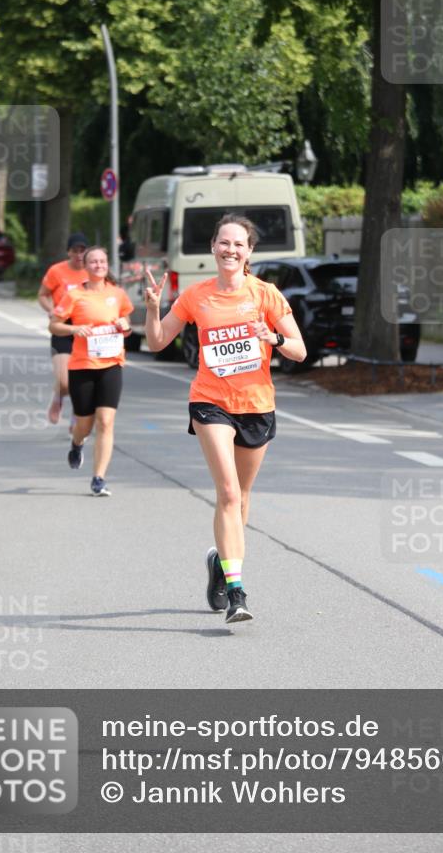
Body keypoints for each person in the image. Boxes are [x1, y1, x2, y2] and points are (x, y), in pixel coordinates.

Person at [145, 213, 306, 623]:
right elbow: (158, 340)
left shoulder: (266, 294)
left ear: (249, 251)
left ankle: (221, 561)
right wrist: (151, 308)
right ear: (213, 248)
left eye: (238, 244)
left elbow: (300, 351)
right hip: (210, 402)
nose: (230, 250)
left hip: (256, 405)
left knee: (242, 499)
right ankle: (237, 591)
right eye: (223, 242)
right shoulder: (196, 296)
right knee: (229, 494)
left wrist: (274, 338)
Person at [50, 246, 132, 497]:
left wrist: (123, 325)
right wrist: (75, 330)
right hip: (82, 366)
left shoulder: (117, 294)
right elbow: (54, 325)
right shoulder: (74, 295)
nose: (98, 265)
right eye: (93, 262)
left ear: (108, 265)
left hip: (111, 364)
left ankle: (99, 478)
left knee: (106, 421)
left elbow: (128, 325)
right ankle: (77, 444)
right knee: (84, 424)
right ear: (85, 267)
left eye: (102, 261)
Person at [38, 233, 89, 424]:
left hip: (86, 328)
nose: (78, 255)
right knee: (64, 381)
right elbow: (42, 294)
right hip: (62, 327)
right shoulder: (56, 271)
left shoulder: (92, 272)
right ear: (68, 252)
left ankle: (78, 413)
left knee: (81, 378)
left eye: (82, 250)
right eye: (74, 250)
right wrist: (51, 310)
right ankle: (58, 397)